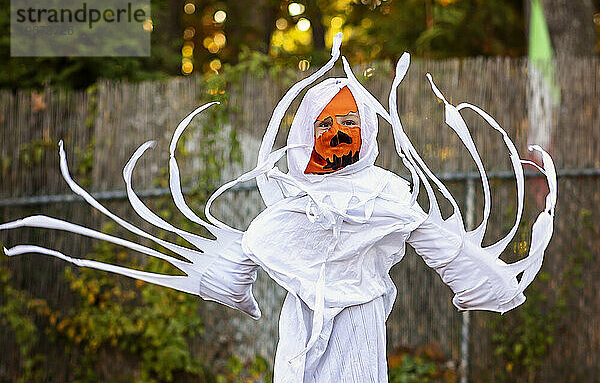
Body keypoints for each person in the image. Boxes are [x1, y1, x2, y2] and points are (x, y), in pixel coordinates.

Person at [1, 34, 557, 382]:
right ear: (306, 133)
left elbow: (440, 243)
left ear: (366, 133)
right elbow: (257, 244)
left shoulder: (386, 194)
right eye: (327, 124)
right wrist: (225, 276)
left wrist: (495, 281)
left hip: (362, 325)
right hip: (302, 323)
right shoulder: (290, 200)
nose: (339, 133)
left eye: (350, 124)